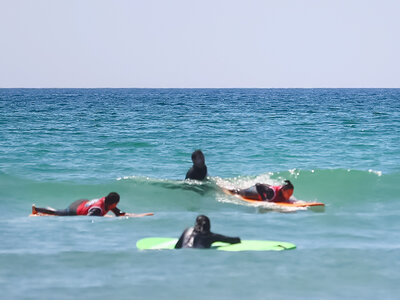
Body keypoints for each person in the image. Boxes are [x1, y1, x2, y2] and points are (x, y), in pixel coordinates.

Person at [32, 192, 127, 216]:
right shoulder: (97, 209)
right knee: (58, 213)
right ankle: (37, 209)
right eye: (116, 203)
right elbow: (88, 219)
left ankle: (48, 208)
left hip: (83, 202)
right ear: (113, 203)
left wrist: (123, 214)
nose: (116, 205)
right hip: (75, 209)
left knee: (58, 211)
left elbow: (116, 212)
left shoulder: (107, 202)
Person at [175, 215, 241, 249]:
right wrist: (238, 239)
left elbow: (177, 247)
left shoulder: (187, 230)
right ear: (209, 225)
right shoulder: (209, 236)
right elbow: (231, 240)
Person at [228, 180, 294, 203]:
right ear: (283, 190)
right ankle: (229, 189)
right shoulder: (271, 192)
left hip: (266, 188)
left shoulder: (284, 191)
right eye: (288, 193)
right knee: (240, 192)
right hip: (256, 191)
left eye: (291, 194)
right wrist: (264, 199)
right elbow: (258, 185)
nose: (289, 195)